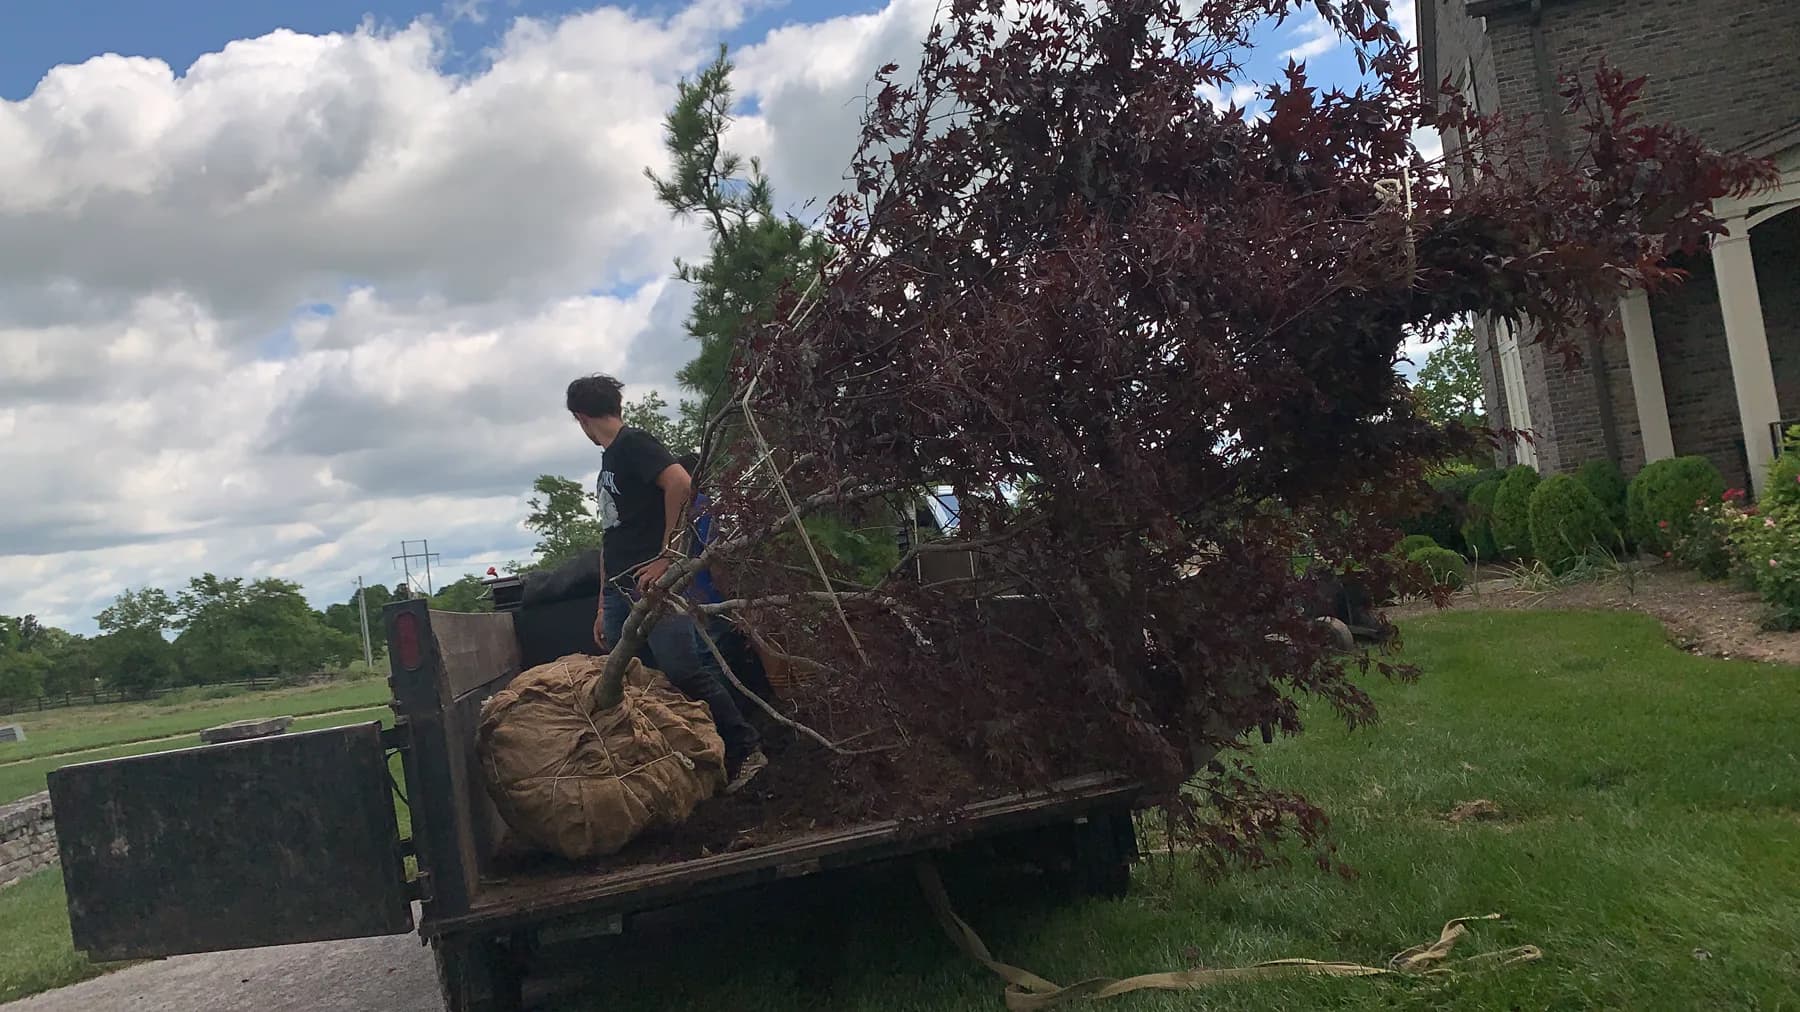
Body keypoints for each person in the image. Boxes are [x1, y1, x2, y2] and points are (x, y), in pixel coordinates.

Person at [567, 374, 766, 792]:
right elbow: (611, 535)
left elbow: (681, 483)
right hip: (622, 590)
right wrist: (604, 603)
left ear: (581, 417)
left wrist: (667, 557)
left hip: (653, 587)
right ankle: (673, 760)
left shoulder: (634, 445)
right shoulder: (610, 462)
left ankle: (747, 749)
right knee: (633, 679)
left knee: (684, 670)